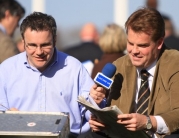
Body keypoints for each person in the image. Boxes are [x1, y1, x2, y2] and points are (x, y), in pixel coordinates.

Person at [0, 12, 95, 138]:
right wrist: (7, 117)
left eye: (45, 45)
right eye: (32, 45)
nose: (39, 52)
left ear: (55, 40)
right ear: (23, 42)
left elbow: (92, 111)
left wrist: (96, 104)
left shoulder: (74, 68)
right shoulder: (6, 70)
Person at [89, 7, 179, 138]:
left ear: (159, 42)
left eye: (142, 46)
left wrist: (148, 122)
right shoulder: (119, 66)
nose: (134, 51)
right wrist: (99, 113)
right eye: (130, 43)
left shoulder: (174, 63)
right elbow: (113, 112)